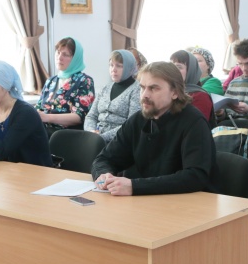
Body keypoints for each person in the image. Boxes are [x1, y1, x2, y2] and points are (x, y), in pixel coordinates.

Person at [92, 62, 216, 196]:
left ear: (174, 92)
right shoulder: (138, 120)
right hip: (147, 201)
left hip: (188, 205)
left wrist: (135, 186)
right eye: (142, 88)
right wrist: (104, 175)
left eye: (153, 88)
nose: (145, 95)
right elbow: (104, 159)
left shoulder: (194, 122)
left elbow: (195, 177)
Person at [0, 60, 52, 167]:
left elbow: (0, 154)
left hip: (33, 175)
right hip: (5, 174)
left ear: (5, 86)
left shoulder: (25, 113)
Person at [35, 37, 95, 136]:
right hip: (43, 131)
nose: (59, 57)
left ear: (76, 59)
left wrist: (47, 117)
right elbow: (39, 107)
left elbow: (80, 117)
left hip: (66, 135)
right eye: (58, 52)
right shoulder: (51, 81)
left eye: (65, 55)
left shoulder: (84, 81)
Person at [84, 49, 142, 143]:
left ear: (129, 67)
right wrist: (91, 132)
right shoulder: (105, 87)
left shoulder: (137, 90)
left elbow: (130, 125)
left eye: (119, 66)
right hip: (95, 138)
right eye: (111, 65)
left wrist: (101, 137)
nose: (113, 69)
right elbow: (91, 116)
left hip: (119, 141)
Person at [170, 50, 214, 125]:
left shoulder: (200, 96)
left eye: (179, 67)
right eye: (171, 66)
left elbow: (195, 127)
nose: (173, 70)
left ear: (191, 70)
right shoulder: (169, 91)